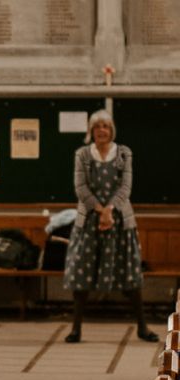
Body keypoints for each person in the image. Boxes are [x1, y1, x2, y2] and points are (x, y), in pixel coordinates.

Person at [63, 109, 158, 343]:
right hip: (89, 223)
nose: (101, 131)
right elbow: (80, 187)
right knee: (81, 276)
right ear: (91, 131)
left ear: (111, 130)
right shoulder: (82, 154)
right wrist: (99, 210)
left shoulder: (124, 153)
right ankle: (75, 329)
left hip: (120, 223)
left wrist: (110, 211)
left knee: (131, 276)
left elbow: (125, 187)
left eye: (105, 126)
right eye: (97, 127)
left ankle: (142, 327)